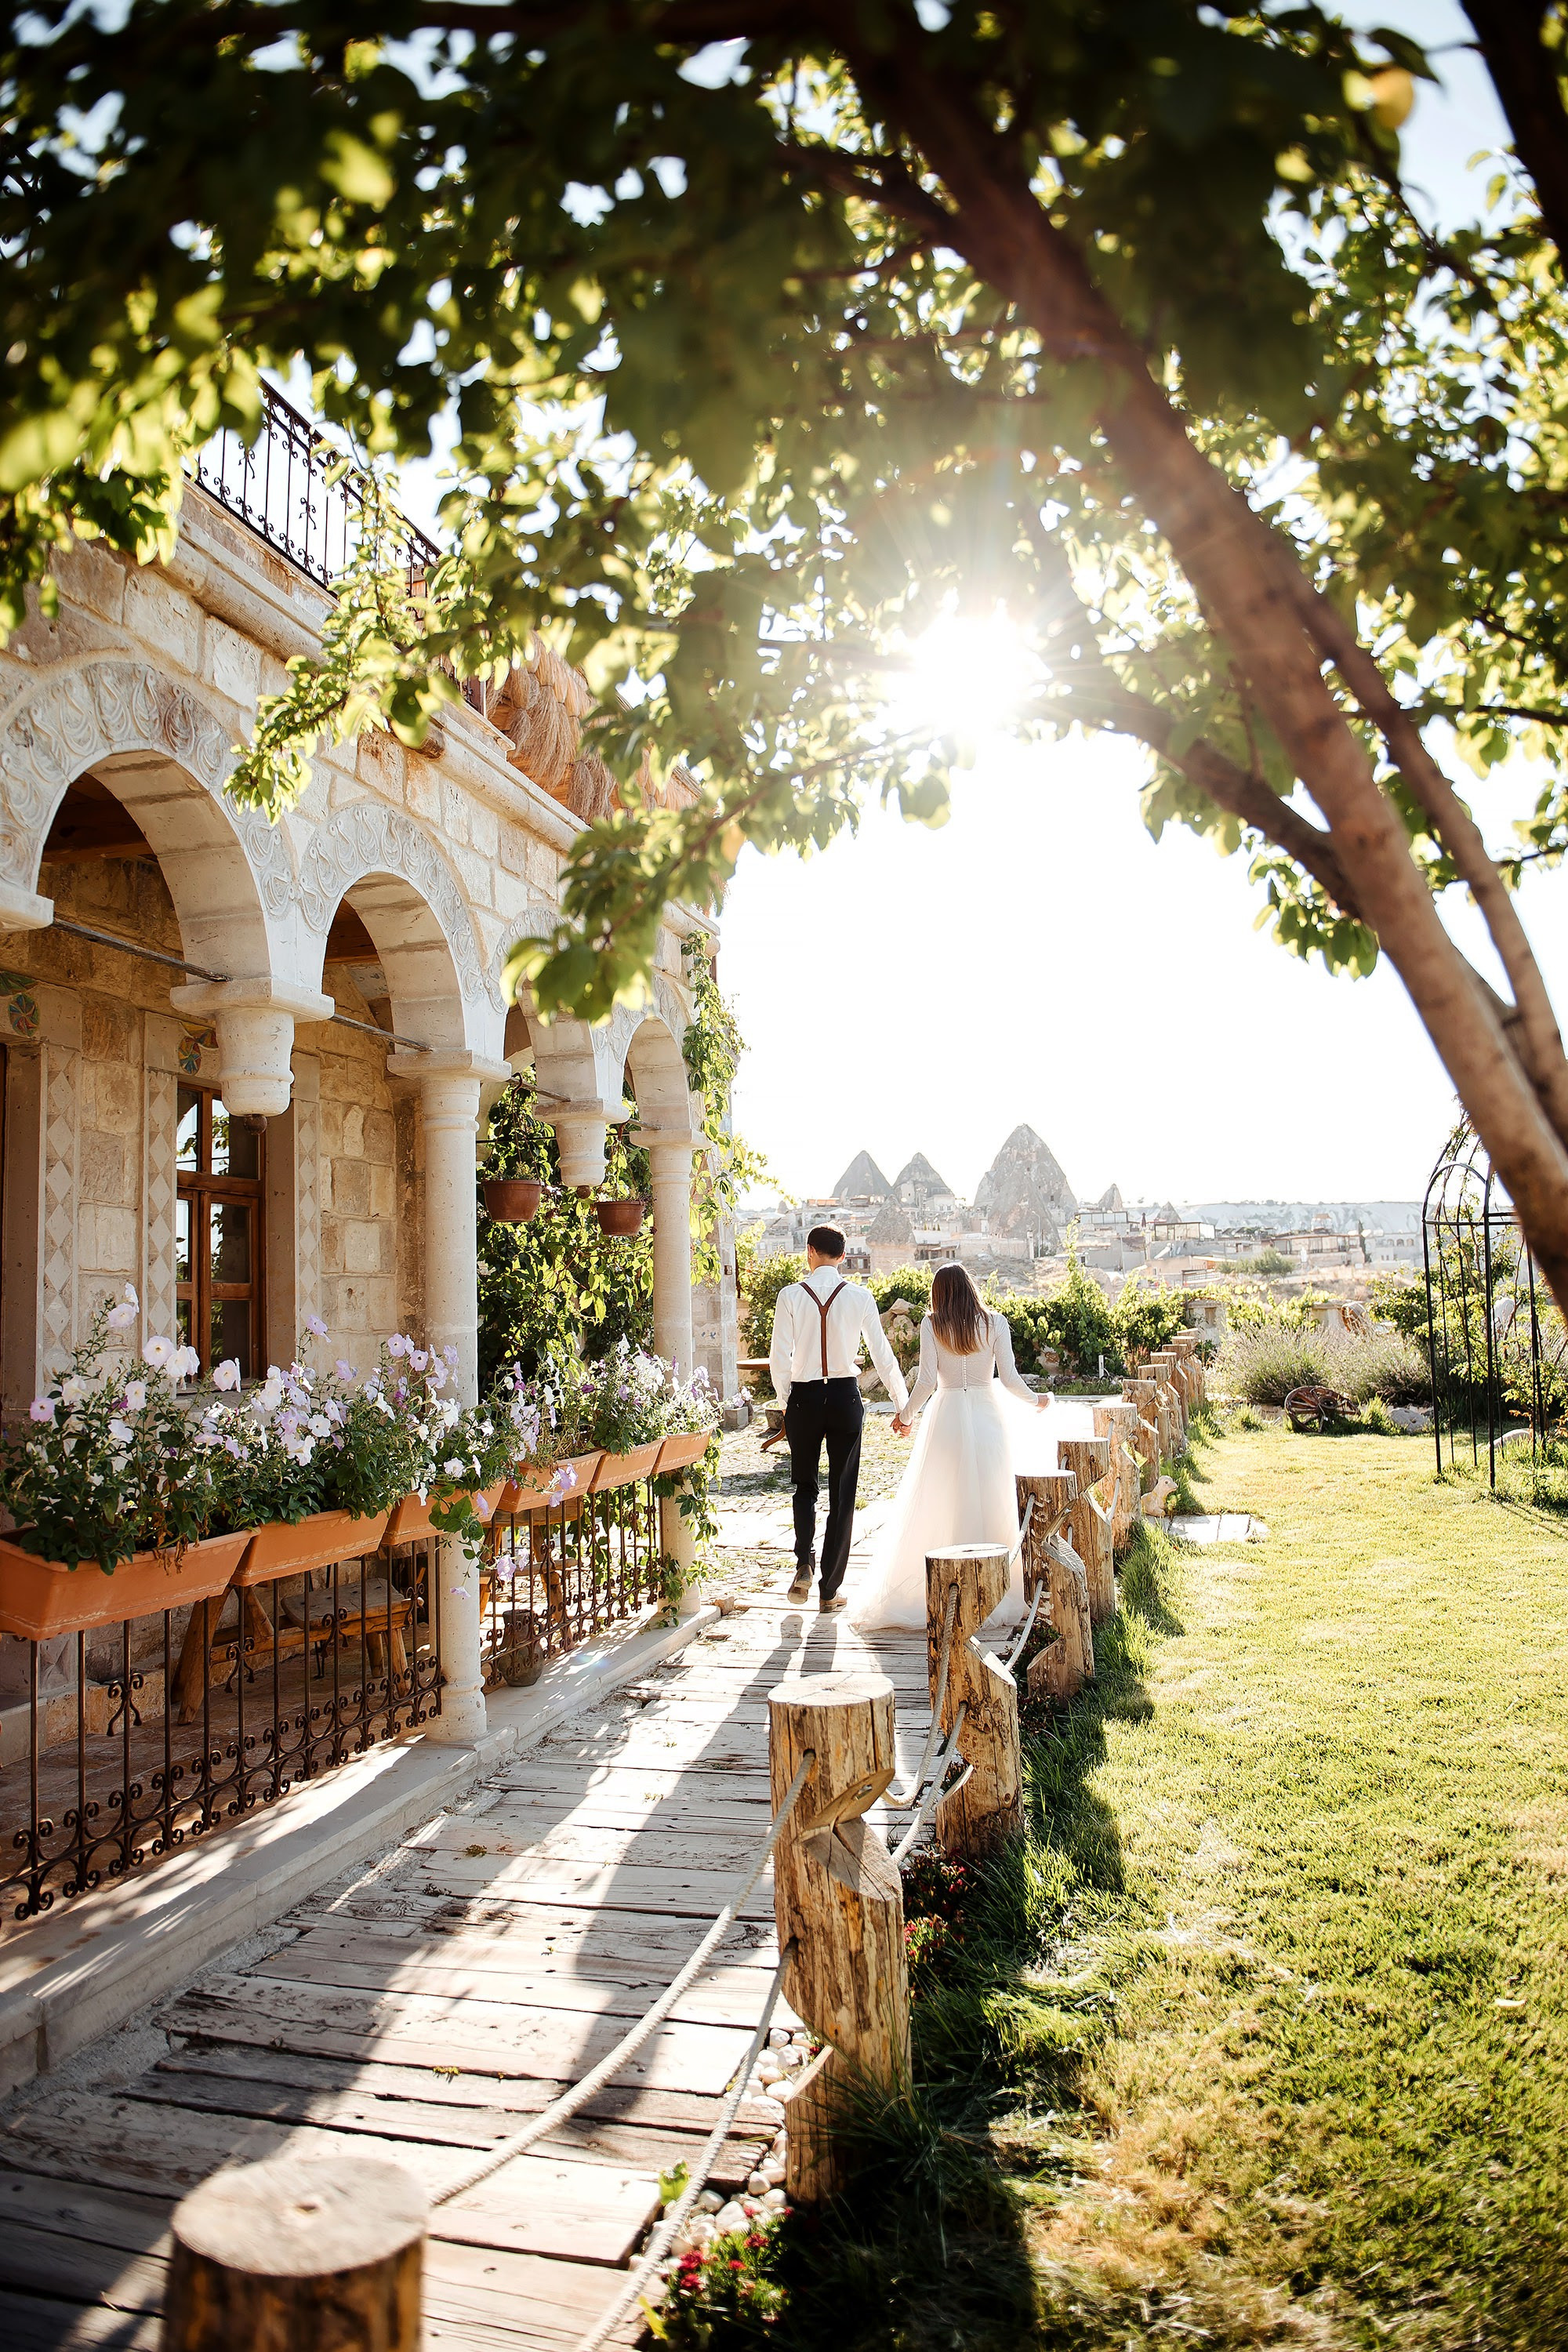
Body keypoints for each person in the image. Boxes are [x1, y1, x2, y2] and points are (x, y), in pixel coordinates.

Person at [848, 1261, 1051, 1631]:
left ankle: (951, 1585)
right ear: (971, 1287)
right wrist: (1035, 1399)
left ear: (939, 1293)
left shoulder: (931, 1324)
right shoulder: (995, 1323)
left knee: (944, 1495)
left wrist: (905, 1416)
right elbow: (1008, 1378)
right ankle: (996, 1586)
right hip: (988, 1415)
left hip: (947, 1417)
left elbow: (926, 1382)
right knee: (993, 1494)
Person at [768, 1225, 910, 1612]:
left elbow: (779, 1358)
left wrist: (786, 1401)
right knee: (843, 1493)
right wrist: (903, 1403)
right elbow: (882, 1355)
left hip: (804, 1398)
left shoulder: (790, 1296)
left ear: (810, 1252)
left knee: (804, 1486)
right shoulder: (860, 1297)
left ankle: (803, 1564)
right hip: (846, 1396)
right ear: (844, 1257)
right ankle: (829, 1589)